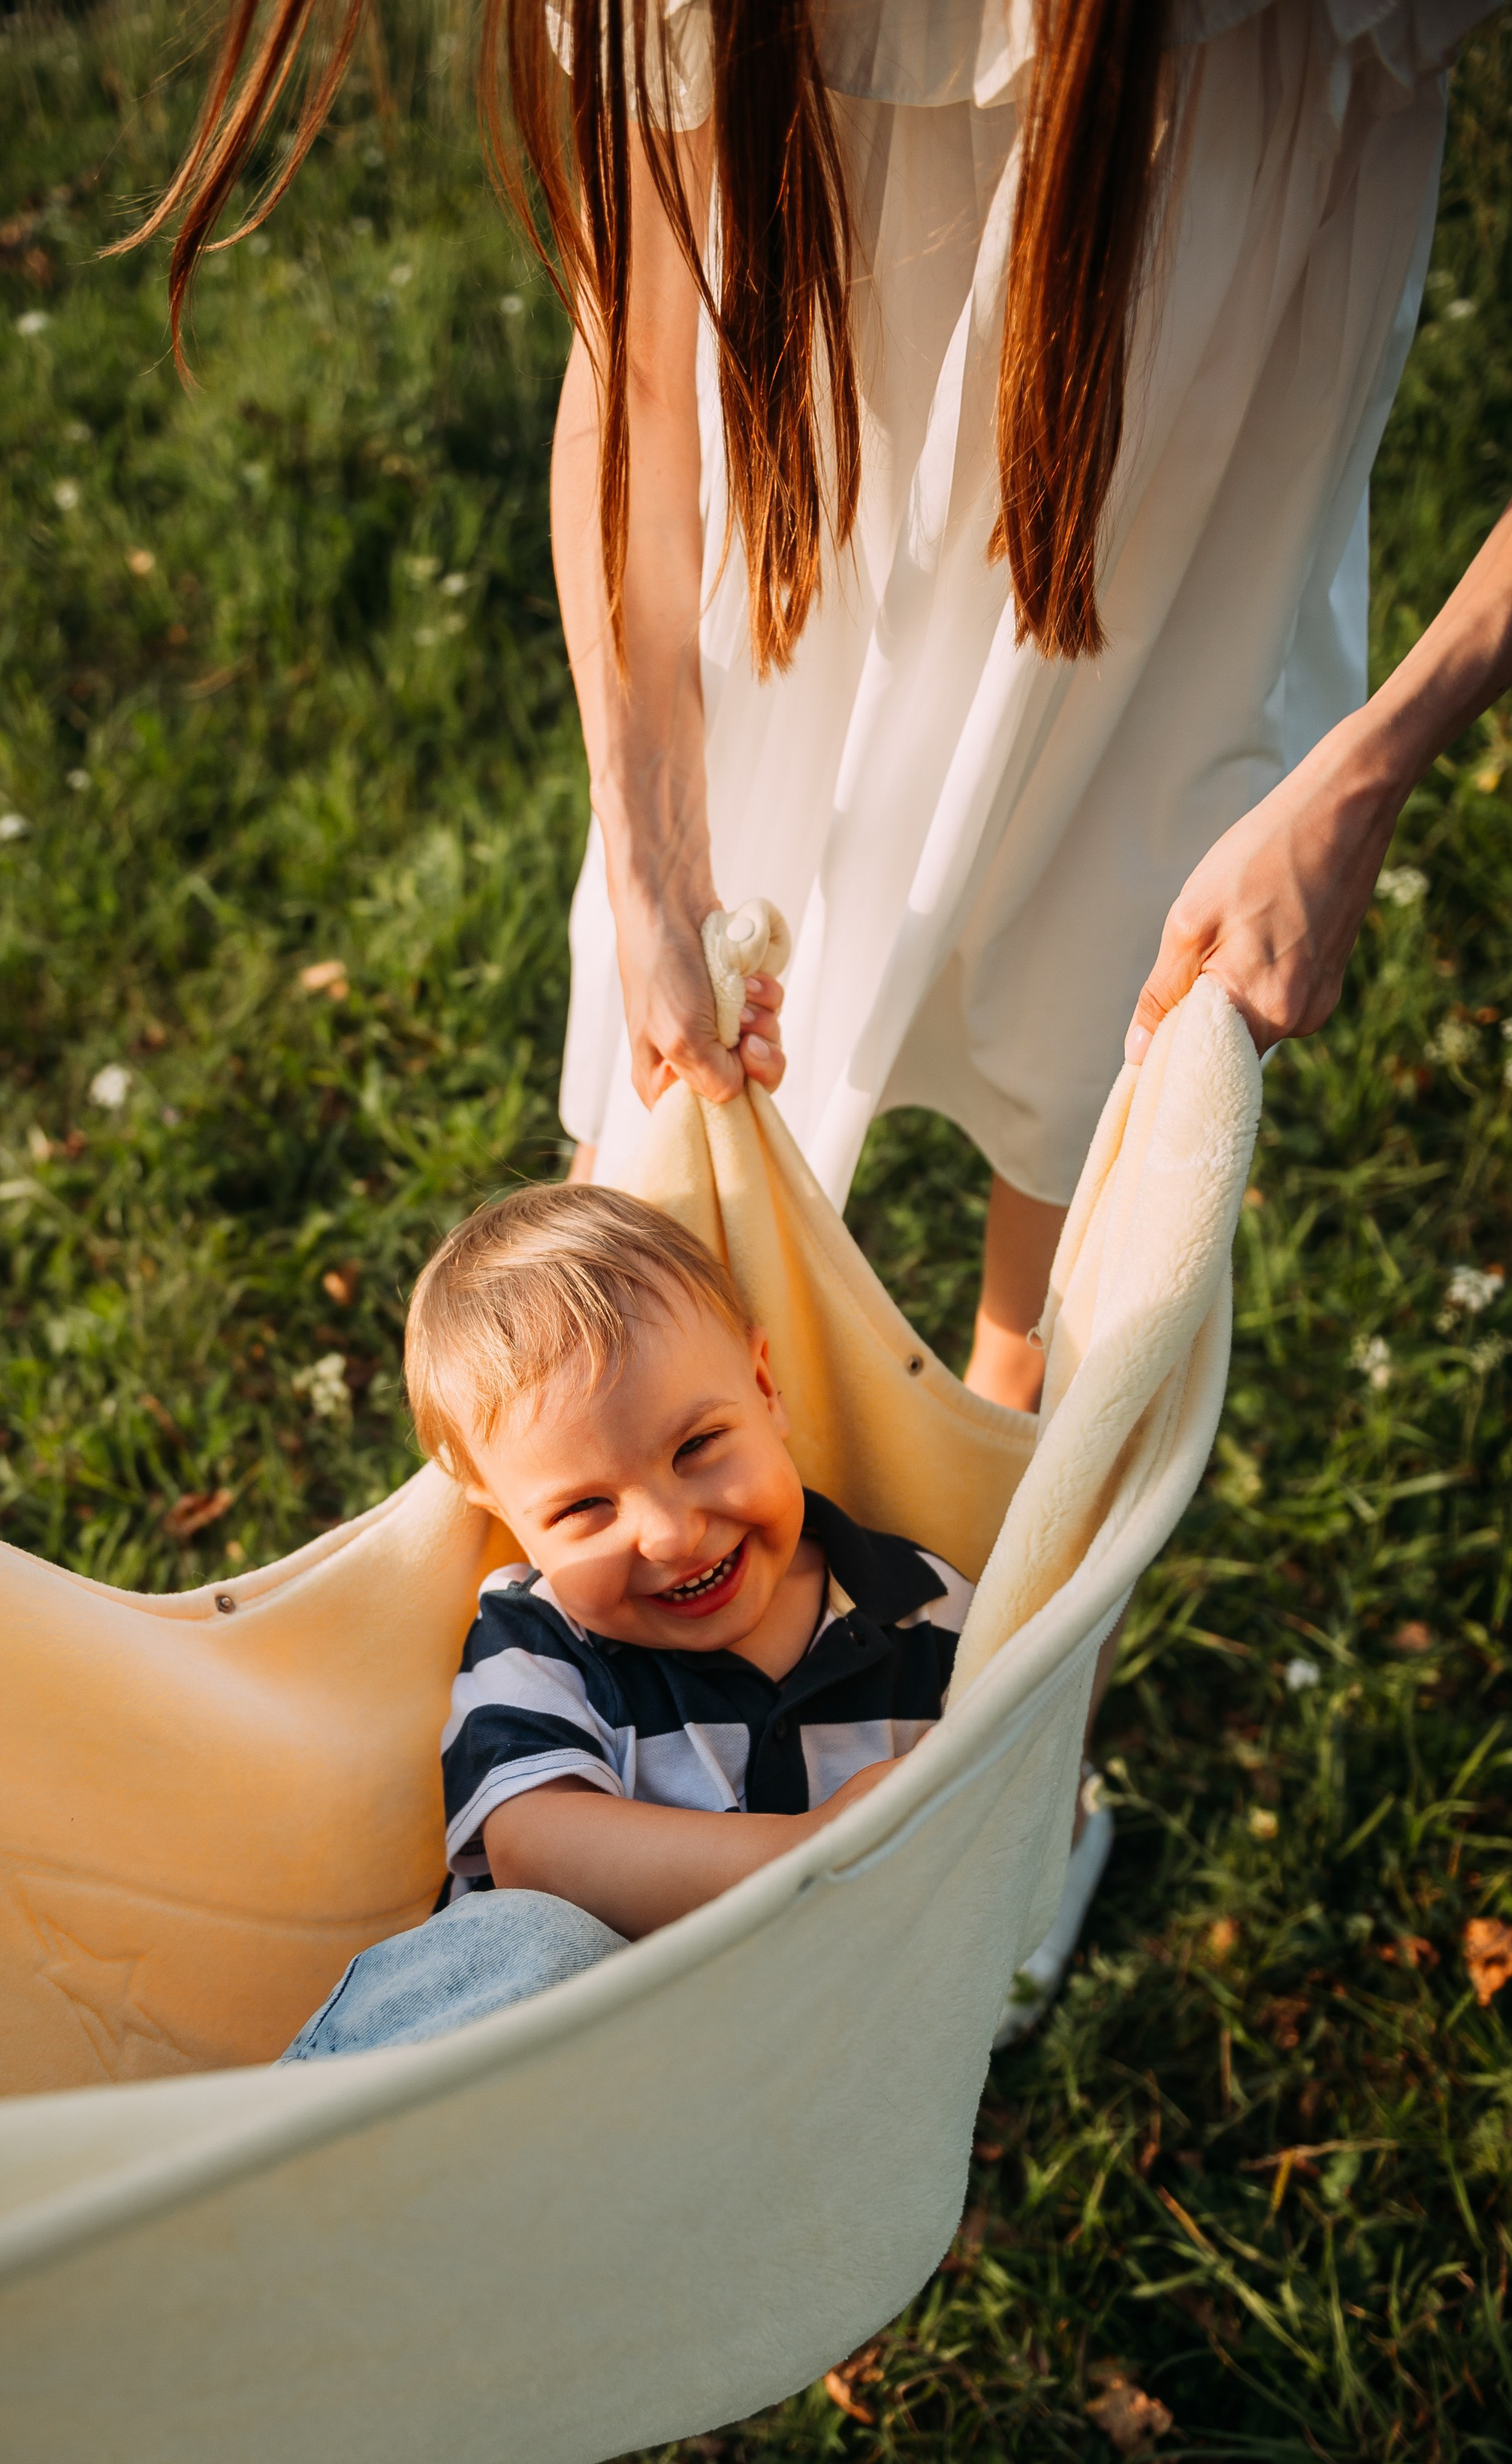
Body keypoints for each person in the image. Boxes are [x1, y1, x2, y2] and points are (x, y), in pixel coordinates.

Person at [136, 0, 1500, 1414]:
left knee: (1080, 1262)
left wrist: (1373, 769)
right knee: (640, 1246)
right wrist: (655, 866)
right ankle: (585, 1599)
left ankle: (1016, 1568)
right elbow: (641, 374)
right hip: (803, 528)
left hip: (1193, 564)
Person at [280, 1182, 977, 2057]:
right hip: (527, 2067)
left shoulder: (925, 1610)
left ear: (765, 1390)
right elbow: (538, 1849)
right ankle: (271, 2172)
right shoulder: (539, 1638)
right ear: (504, 1513)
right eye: (583, 1510)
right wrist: (816, 1849)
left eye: (696, 1448)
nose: (671, 1533)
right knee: (527, 1944)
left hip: (777, 2064)